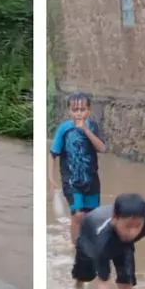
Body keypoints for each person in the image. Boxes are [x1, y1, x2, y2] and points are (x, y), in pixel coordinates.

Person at [73, 194, 145, 289]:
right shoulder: (101, 241)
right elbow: (103, 282)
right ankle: (79, 286)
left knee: (127, 277)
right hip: (90, 235)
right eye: (128, 226)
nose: (133, 232)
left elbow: (127, 284)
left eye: (137, 226)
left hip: (121, 241)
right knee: (86, 275)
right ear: (114, 219)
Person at [49, 91, 108, 245]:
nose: (79, 113)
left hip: (91, 179)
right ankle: (75, 247)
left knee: (91, 217)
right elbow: (52, 154)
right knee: (78, 215)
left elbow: (102, 148)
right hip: (71, 180)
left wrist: (86, 130)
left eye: (82, 110)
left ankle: (88, 244)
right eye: (75, 110)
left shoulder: (93, 127)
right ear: (69, 111)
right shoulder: (64, 129)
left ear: (89, 110)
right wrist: (50, 179)